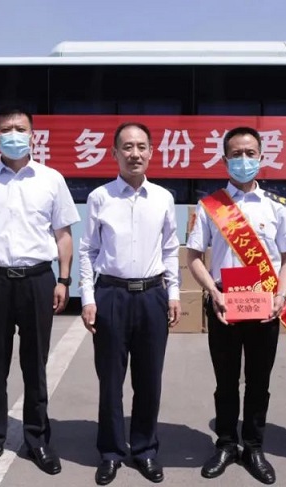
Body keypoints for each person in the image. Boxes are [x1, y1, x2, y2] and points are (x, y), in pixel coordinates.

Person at [0, 108, 80, 480]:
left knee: (35, 365)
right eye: (6, 129)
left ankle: (37, 439)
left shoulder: (51, 179)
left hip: (38, 281)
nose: (14, 134)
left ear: (33, 134)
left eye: (20, 128)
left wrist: (64, 280)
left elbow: (63, 235)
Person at [186, 126, 286, 485]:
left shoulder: (277, 206)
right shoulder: (210, 206)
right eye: (236, 154)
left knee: (258, 381)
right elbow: (193, 257)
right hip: (224, 303)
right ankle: (225, 444)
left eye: (250, 153)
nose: (244, 159)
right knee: (225, 381)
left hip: (265, 303)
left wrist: (281, 294)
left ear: (261, 157)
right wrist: (214, 293)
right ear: (224, 160)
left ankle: (253, 446)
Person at [78, 122, 181, 485]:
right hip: (111, 295)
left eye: (141, 147)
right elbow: (88, 251)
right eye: (127, 147)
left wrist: (173, 293)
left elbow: (170, 249)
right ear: (115, 153)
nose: (134, 154)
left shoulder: (163, 198)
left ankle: (145, 449)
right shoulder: (100, 197)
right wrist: (87, 298)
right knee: (110, 380)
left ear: (151, 152)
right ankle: (110, 451)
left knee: (149, 379)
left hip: (152, 295)